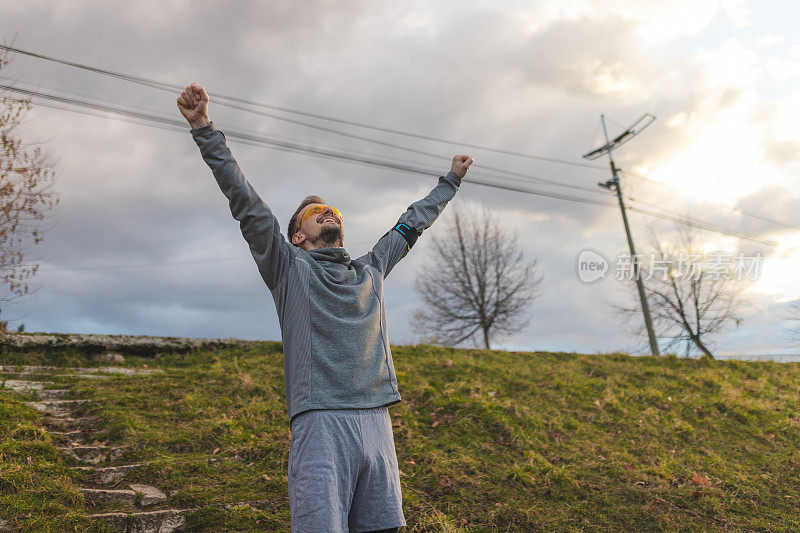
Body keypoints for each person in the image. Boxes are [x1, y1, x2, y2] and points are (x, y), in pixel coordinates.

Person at [177, 82, 473, 532]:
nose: (327, 211)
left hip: (376, 423)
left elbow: (412, 222)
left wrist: (449, 181)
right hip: (321, 423)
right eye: (315, 212)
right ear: (297, 236)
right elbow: (245, 202)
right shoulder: (288, 269)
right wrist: (203, 127)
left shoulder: (370, 269)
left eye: (331, 208)